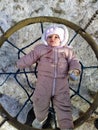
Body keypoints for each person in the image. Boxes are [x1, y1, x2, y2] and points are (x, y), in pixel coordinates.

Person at [16, 24, 81, 130]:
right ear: (45, 38)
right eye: (49, 36)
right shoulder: (41, 49)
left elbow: (74, 60)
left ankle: (67, 127)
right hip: (44, 82)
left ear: (62, 39)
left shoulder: (67, 50)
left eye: (56, 37)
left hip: (61, 84)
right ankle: (41, 119)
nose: (52, 39)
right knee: (39, 102)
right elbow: (31, 57)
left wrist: (75, 70)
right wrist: (20, 63)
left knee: (64, 106)